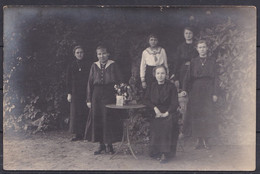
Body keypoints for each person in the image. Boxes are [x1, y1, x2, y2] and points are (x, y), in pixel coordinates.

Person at [85, 45, 123, 155]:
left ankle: (109, 145)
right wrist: (88, 99)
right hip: (96, 95)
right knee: (98, 118)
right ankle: (101, 145)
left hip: (109, 94)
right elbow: (90, 83)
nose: (102, 56)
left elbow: (120, 81)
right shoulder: (94, 65)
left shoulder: (113, 65)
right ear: (97, 55)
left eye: (104, 53)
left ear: (108, 54)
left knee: (108, 119)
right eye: (99, 54)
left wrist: (119, 95)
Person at [182, 40, 218, 150]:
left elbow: (216, 79)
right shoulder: (193, 61)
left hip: (208, 90)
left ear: (207, 48)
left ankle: (206, 140)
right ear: (197, 49)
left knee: (207, 114)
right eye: (200, 47)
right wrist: (184, 89)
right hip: (196, 90)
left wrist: (215, 93)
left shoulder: (212, 61)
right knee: (197, 115)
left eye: (204, 47)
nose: (202, 49)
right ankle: (198, 140)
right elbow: (187, 78)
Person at [144, 65, 180, 163]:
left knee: (167, 123)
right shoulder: (152, 86)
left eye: (162, 73)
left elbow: (174, 103)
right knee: (156, 122)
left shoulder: (171, 86)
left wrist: (166, 113)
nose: (160, 76)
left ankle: (166, 153)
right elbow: (146, 100)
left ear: (166, 74)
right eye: (158, 73)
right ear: (154, 75)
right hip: (155, 112)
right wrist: (155, 109)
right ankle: (157, 152)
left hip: (169, 111)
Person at [174, 27, 198, 138]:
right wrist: (176, 77)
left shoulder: (196, 46)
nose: (188, 35)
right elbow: (177, 62)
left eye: (190, 33)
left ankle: (193, 130)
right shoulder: (180, 47)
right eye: (186, 33)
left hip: (194, 73)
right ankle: (183, 130)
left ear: (193, 34)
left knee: (193, 100)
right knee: (183, 101)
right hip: (183, 72)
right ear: (184, 35)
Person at [66, 45, 90, 141]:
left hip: (85, 91)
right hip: (75, 92)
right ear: (74, 54)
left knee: (85, 112)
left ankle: (86, 133)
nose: (80, 54)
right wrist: (69, 93)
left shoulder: (88, 65)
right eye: (77, 53)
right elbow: (68, 80)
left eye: (81, 52)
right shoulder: (71, 66)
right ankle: (78, 134)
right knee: (76, 113)